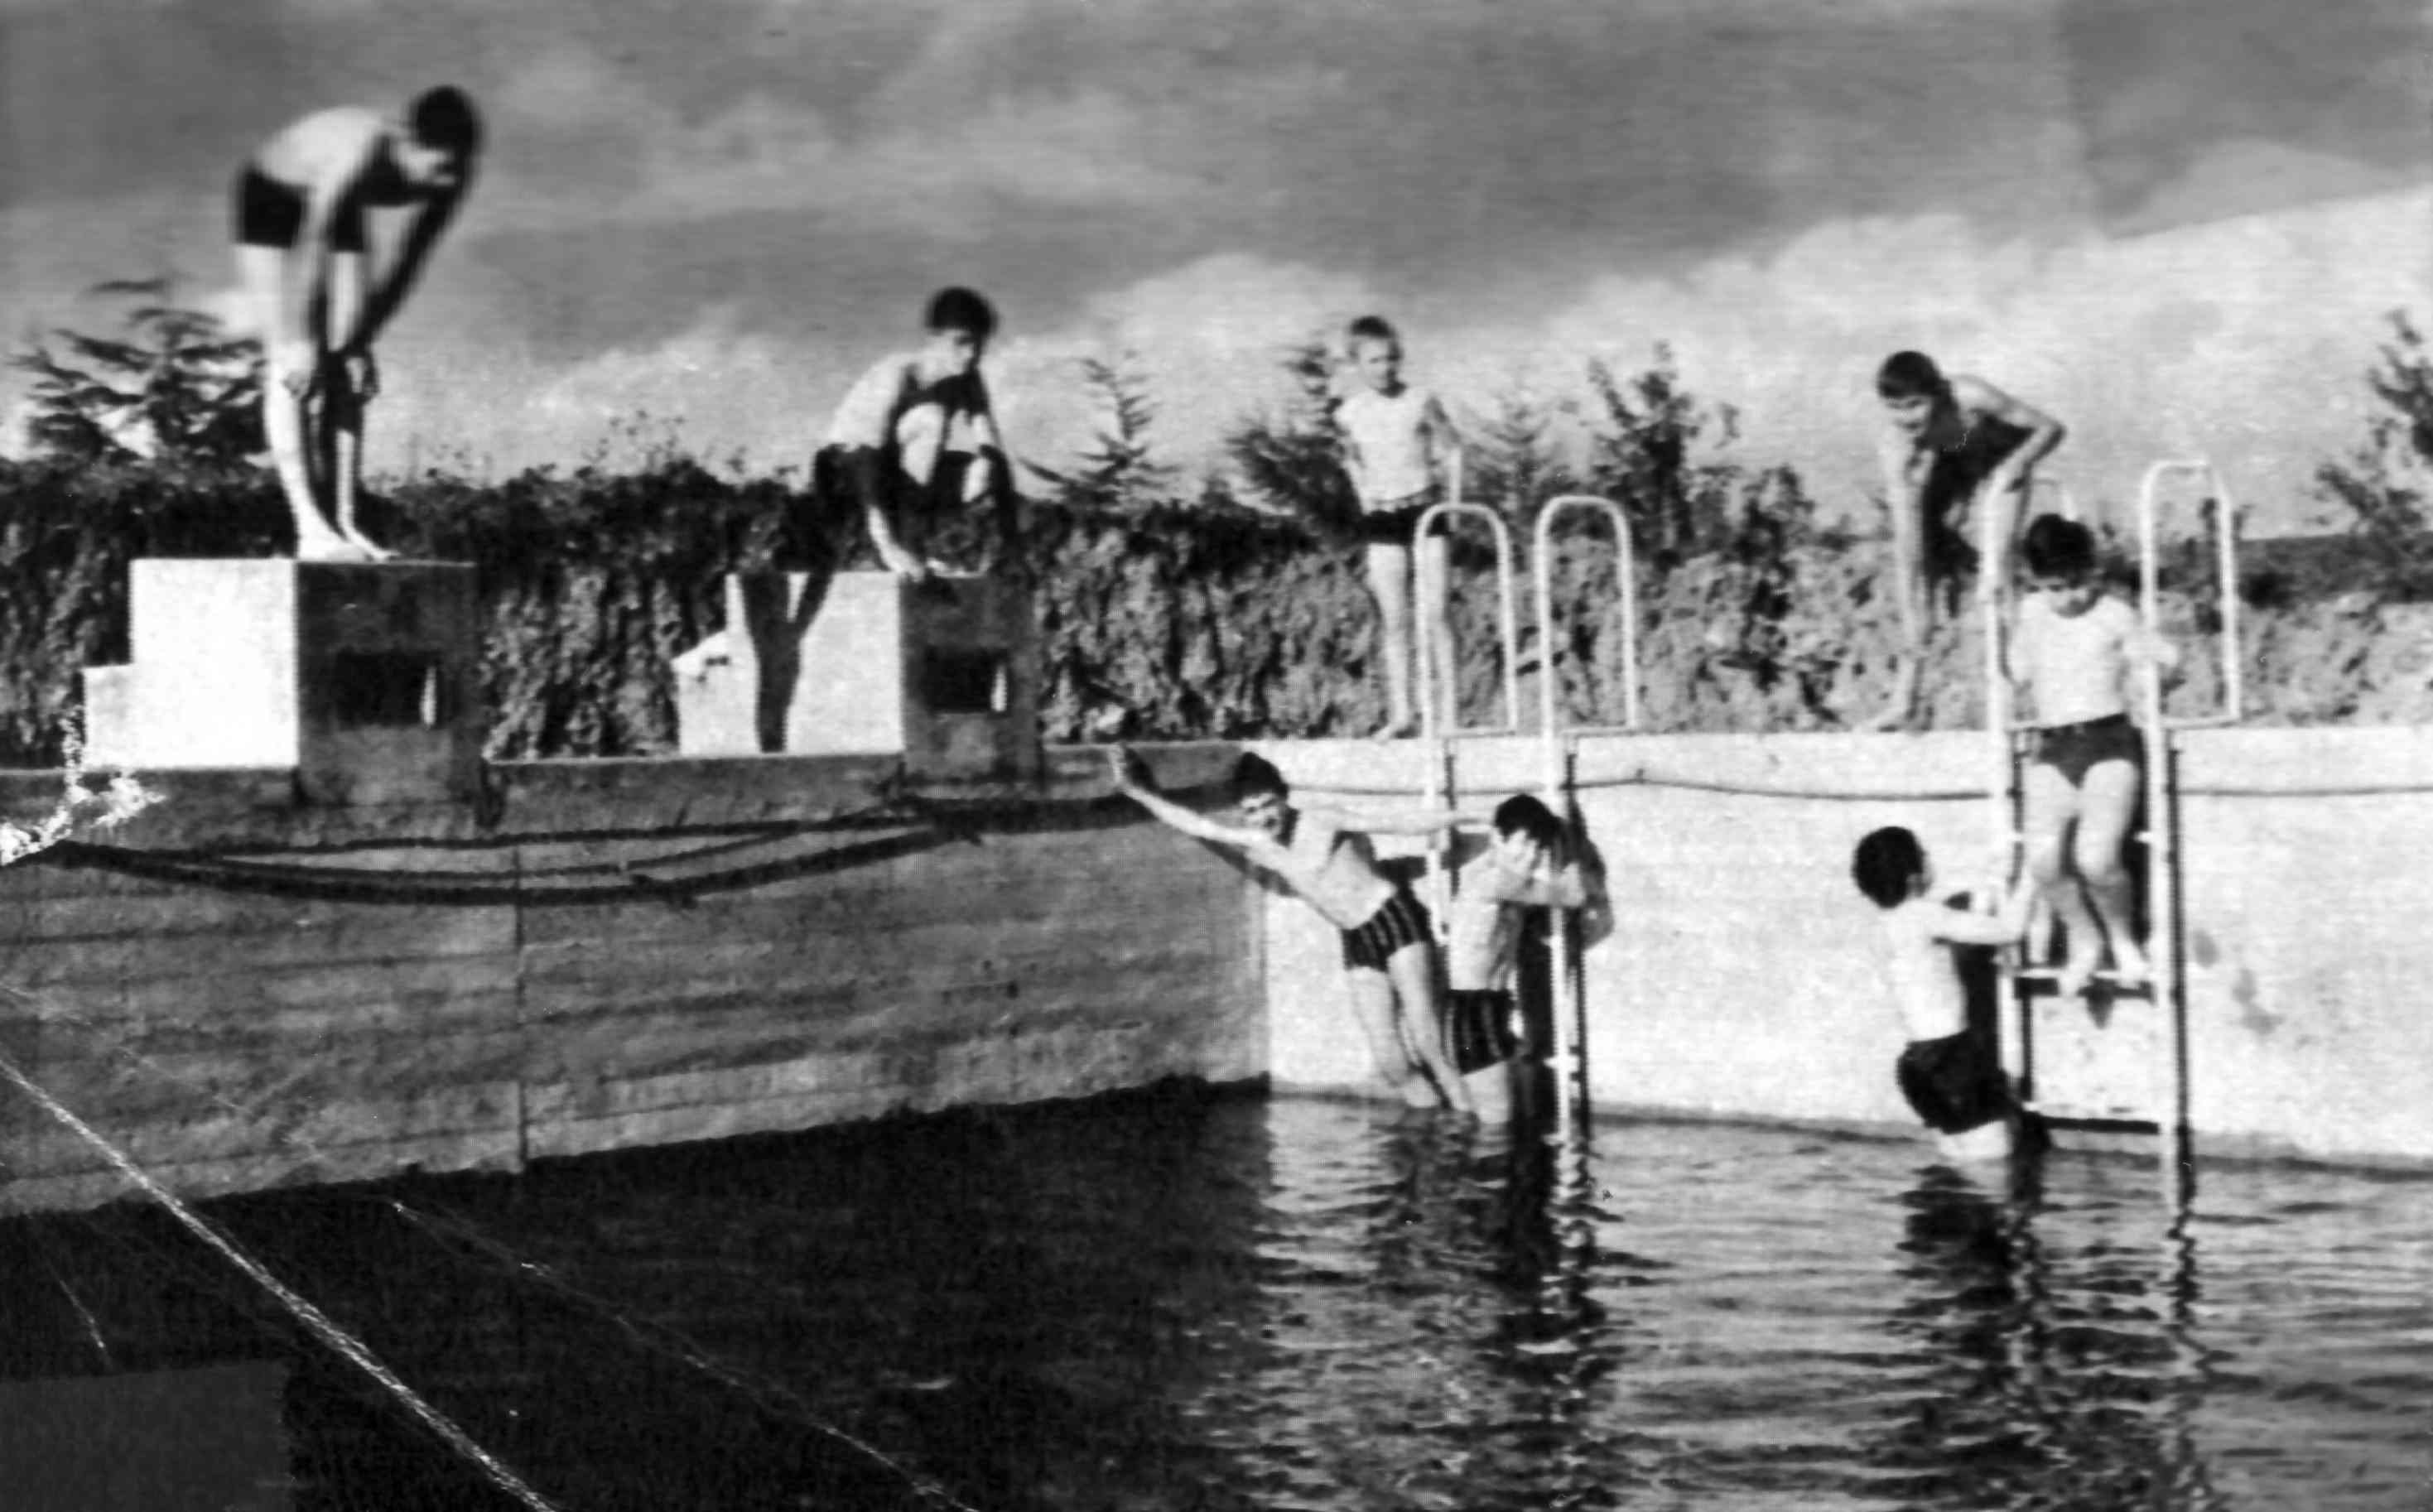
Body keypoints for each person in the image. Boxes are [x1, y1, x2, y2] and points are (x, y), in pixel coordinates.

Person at [1107, 745, 1479, 1115]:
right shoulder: (1260, 844)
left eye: (1268, 804)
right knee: (1390, 1060)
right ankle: (1435, 1129)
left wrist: (1478, 816)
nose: (1263, 817)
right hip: (1357, 938)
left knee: (1429, 1040)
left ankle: (1470, 1123)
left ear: (1284, 798)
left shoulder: (1321, 822)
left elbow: (1399, 822)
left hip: (1393, 918)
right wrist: (1139, 791)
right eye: (1251, 811)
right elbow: (1198, 825)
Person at [234, 88, 482, 561]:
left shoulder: (454, 175)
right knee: (289, 360)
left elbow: (410, 260)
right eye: (438, 167)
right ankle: (310, 527)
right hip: (273, 198)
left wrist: (361, 343)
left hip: (339, 214)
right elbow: (313, 236)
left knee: (348, 368)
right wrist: (301, 338)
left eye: (455, 169)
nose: (446, 182)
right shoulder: (360, 149)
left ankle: (347, 522)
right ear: (409, 143)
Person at [2008, 513, 2177, 995]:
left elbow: (2167, 658)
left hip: (2109, 742)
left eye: (2079, 583)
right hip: (2054, 744)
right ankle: (2085, 940)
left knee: (2097, 857)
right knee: (2042, 861)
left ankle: (2123, 939)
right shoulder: (2032, 612)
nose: (2070, 597)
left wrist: (2156, 674)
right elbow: (2016, 673)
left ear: (2093, 571)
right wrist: (2011, 628)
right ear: (2038, 583)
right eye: (2056, 587)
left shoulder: (2114, 614)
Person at [1872, 350, 2066, 729]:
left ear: (1939, 393)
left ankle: (2013, 686)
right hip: (1948, 476)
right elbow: (1908, 550)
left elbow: (2051, 428)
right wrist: (1915, 610)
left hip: (1999, 462)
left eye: (1915, 405)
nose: (1907, 418)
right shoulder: (1899, 450)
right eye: (1895, 408)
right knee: (1918, 587)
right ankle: (1903, 700)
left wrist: (2018, 463)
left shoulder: (1972, 396)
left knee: (1997, 570)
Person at [1851, 826, 2038, 1164]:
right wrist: (2032, 874)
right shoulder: (1924, 914)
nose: (1930, 860)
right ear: (1913, 876)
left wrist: (1992, 882)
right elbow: (2008, 930)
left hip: (1916, 1067)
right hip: (1952, 1059)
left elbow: (1964, 932)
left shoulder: (1885, 924)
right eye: (1924, 856)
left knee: (1962, 1167)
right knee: (1997, 1172)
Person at [808, 287, 1014, 583]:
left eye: (979, 345)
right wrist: (887, 545)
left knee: (984, 466)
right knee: (931, 418)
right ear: (934, 338)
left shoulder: (968, 380)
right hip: (846, 475)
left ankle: (920, 545)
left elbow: (994, 452)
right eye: (961, 342)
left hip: (897, 481)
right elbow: (865, 460)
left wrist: (1013, 545)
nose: (970, 355)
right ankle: (886, 550)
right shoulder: (897, 375)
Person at [1443, 794, 1612, 1122]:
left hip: (1493, 1009)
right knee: (1496, 1127)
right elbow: (1573, 896)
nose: (1531, 856)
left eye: (1539, 848)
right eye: (1523, 845)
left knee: (1507, 1125)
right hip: (1472, 1018)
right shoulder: (1495, 881)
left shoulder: (1514, 884)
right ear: (1497, 838)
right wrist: (1573, 846)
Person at [1337, 315, 1462, 739]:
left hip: (1425, 511)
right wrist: (1363, 495)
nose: (1384, 368)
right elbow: (1350, 457)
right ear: (1356, 363)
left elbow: (1454, 448)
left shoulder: (1420, 399)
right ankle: (1403, 714)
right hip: (1383, 517)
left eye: (1391, 359)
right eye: (1373, 361)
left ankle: (1448, 716)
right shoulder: (1349, 412)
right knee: (1393, 619)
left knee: (1437, 613)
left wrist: (1455, 502)